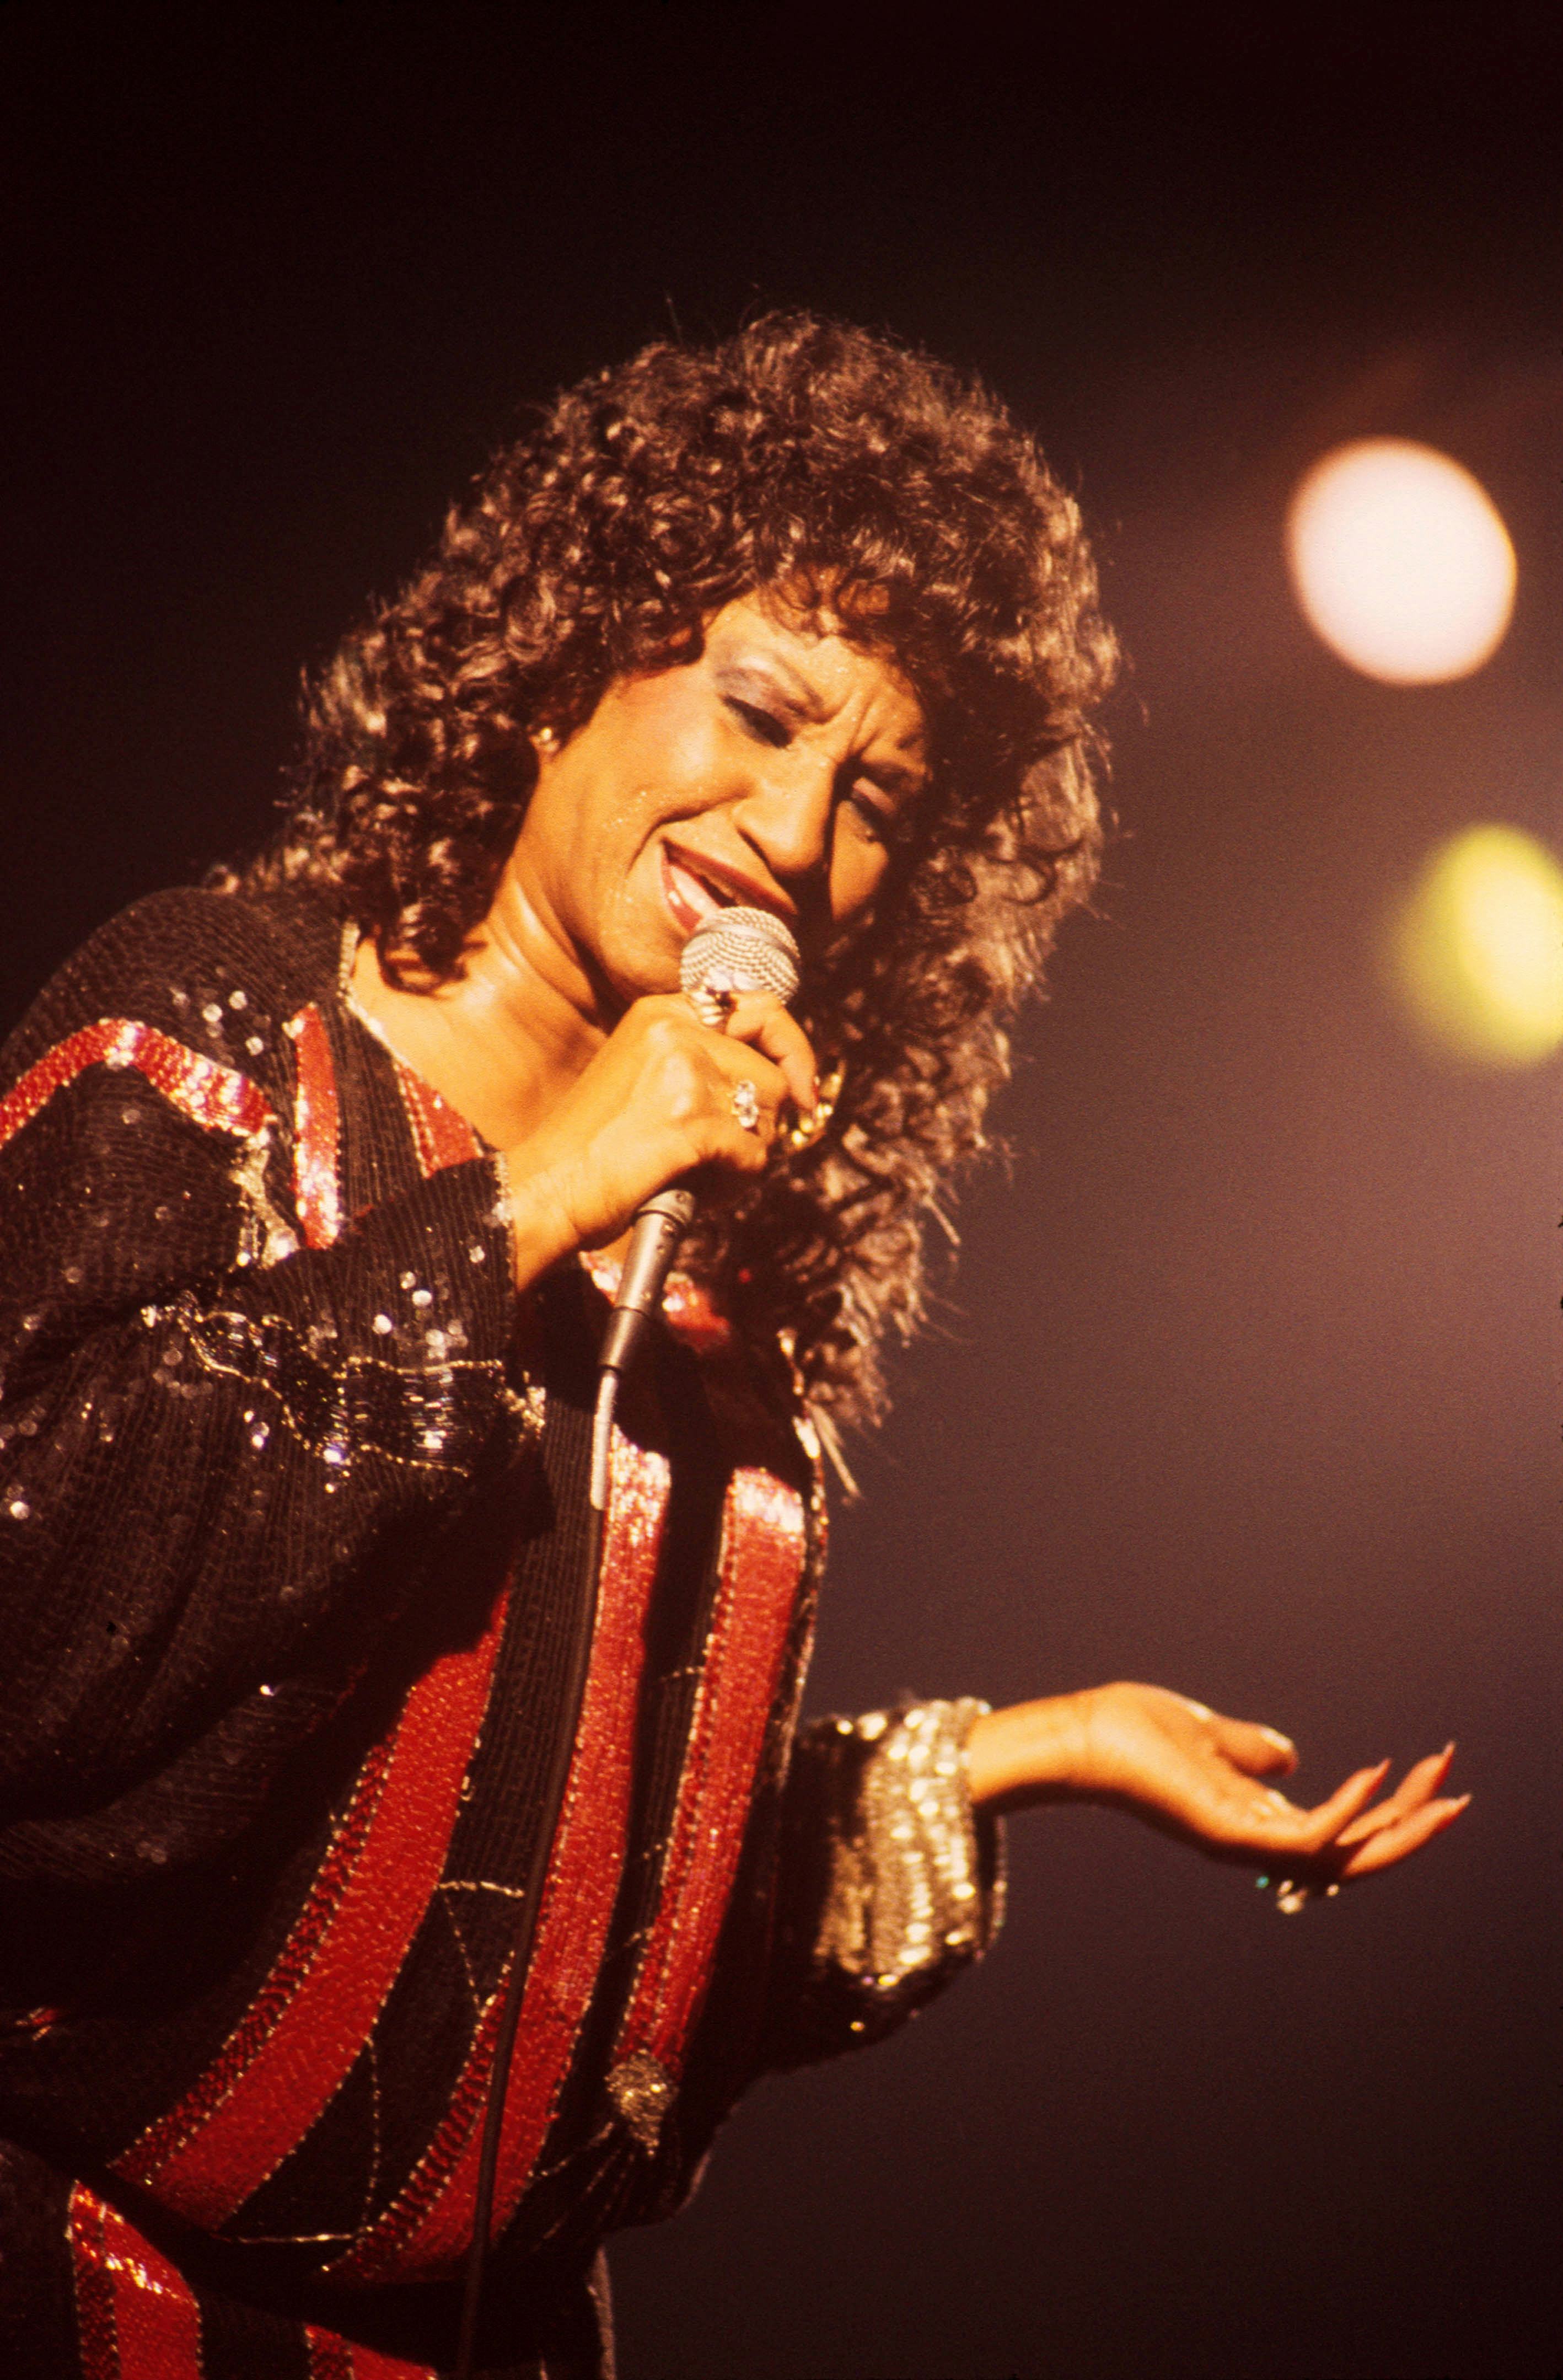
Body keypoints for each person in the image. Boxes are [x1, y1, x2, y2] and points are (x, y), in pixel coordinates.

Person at [0, 315, 1465, 2379]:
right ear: (572, 654)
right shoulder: (218, 1031)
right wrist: (516, 1207)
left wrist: (1026, 1754)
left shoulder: (706, 1322)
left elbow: (554, 1928)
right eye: (761, 711)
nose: (788, 828)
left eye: (875, 797)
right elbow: (42, 1622)